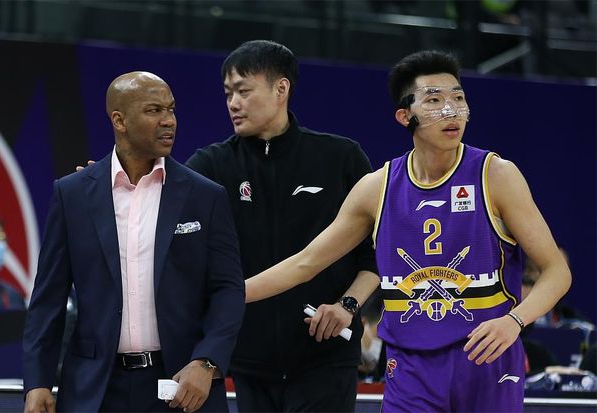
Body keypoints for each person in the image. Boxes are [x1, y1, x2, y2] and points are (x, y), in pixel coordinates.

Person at [244, 50, 572, 412]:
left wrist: (515, 320)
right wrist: (232, 294)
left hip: (486, 357)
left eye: (458, 98)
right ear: (405, 116)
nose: (450, 110)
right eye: (433, 100)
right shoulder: (377, 187)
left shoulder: (496, 175)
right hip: (410, 367)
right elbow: (306, 262)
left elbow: (557, 271)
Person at [23, 71, 245, 413]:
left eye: (171, 109)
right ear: (119, 120)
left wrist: (207, 361)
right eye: (154, 110)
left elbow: (228, 289)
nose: (169, 120)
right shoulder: (72, 194)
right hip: (95, 391)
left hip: (182, 386)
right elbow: (48, 299)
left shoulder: (206, 196)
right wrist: (37, 382)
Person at [185, 40, 379, 412]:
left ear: (281, 89)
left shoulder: (341, 158)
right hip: (248, 364)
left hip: (326, 358)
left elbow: (376, 251)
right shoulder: (211, 166)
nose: (233, 103)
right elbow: (161, 205)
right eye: (227, 94)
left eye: (243, 91)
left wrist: (348, 305)